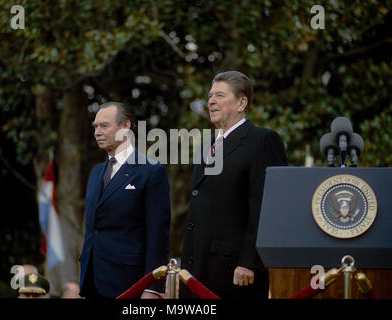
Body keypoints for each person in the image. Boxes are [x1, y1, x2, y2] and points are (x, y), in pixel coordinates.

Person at [180, 71, 288, 299]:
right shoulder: (207, 145)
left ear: (241, 103)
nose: (210, 101)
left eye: (219, 95)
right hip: (196, 269)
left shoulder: (263, 140)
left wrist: (250, 262)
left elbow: (266, 206)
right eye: (210, 95)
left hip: (235, 272)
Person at [79, 102, 171, 299]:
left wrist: (153, 288)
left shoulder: (151, 171)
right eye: (95, 126)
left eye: (104, 125)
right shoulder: (96, 174)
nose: (97, 132)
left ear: (126, 127)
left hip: (129, 283)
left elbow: (158, 236)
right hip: (92, 281)